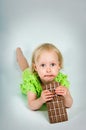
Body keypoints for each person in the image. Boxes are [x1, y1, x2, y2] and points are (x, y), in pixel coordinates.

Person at [16, 43, 73, 110]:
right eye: (43, 65)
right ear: (36, 67)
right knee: (25, 67)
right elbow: (31, 105)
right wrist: (41, 100)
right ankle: (19, 52)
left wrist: (66, 95)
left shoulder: (61, 81)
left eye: (52, 64)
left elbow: (69, 104)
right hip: (30, 74)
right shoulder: (32, 82)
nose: (48, 70)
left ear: (59, 65)